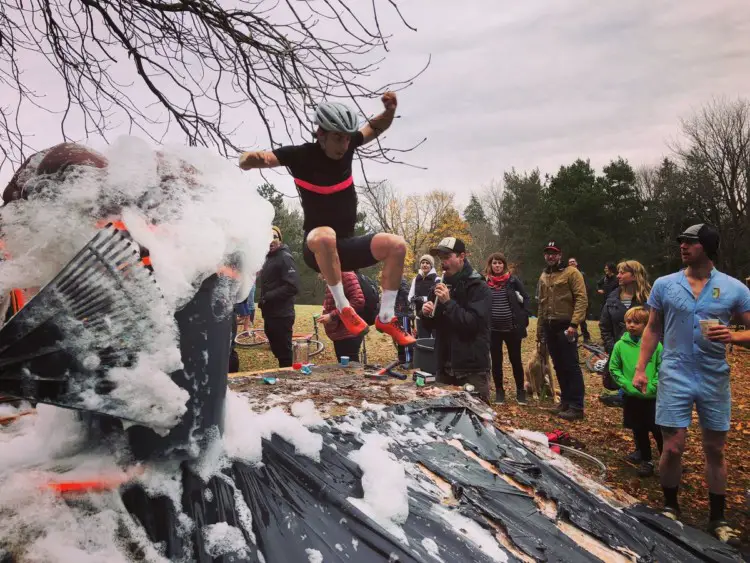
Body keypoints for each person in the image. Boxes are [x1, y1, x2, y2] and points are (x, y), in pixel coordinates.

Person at [238, 93, 414, 349]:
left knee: (397, 245)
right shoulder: (300, 155)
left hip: (346, 247)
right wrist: (248, 159)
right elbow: (266, 158)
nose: (343, 145)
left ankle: (386, 317)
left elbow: (374, 128)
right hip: (316, 248)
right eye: (336, 138)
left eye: (346, 138)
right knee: (325, 235)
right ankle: (344, 308)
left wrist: (389, 111)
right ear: (320, 134)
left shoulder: (349, 143)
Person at [634, 223, 749, 546]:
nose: (683, 247)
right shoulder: (665, 285)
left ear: (708, 247)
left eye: (690, 242)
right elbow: (653, 328)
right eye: (681, 242)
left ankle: (718, 518)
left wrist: (735, 336)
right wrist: (641, 369)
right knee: (672, 446)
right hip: (675, 372)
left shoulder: (734, 289)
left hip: (714, 376)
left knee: (715, 448)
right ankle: (670, 507)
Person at [418, 237, 492, 403]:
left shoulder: (478, 287)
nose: (443, 263)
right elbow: (431, 326)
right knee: (444, 419)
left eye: (447, 257)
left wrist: (449, 303)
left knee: (477, 419)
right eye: (441, 259)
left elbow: (473, 324)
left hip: (471, 369)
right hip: (444, 367)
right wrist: (426, 313)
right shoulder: (440, 286)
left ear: (461, 256)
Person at [608, 307, 663, 478]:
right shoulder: (620, 345)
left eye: (637, 322)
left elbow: (662, 367)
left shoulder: (656, 345)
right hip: (632, 397)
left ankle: (667, 459)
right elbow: (614, 368)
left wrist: (654, 385)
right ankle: (646, 460)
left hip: (653, 397)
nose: (631, 325)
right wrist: (627, 385)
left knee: (658, 430)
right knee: (639, 430)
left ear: (647, 325)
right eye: (629, 322)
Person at [538, 241, 588, 420]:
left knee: (571, 365)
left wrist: (574, 325)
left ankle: (577, 406)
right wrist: (540, 330)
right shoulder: (544, 275)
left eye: (554, 253)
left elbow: (581, 299)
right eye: (548, 252)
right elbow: (541, 304)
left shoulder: (571, 273)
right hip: (549, 326)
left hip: (566, 325)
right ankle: (565, 401)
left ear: (560, 255)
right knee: (558, 365)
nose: (550, 256)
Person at [599, 260, 652, 407]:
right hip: (619, 348)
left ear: (634, 276)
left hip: (645, 352)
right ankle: (623, 396)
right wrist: (613, 348)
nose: (618, 276)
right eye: (618, 272)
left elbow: (657, 327)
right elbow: (605, 326)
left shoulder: (650, 299)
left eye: (623, 272)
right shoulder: (612, 298)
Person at [484, 252, 530, 405]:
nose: (497, 266)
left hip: (512, 329)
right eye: (494, 263)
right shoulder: (485, 283)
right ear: (490, 265)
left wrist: (523, 317)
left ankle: (520, 391)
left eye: (500, 263)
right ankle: (499, 391)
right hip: (493, 330)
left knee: (515, 360)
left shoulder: (512, 281)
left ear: (504, 265)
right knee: (496, 361)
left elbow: (526, 299)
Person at [258, 226, 300, 368]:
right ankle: (285, 374)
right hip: (270, 313)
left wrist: (268, 296)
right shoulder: (269, 258)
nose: (271, 240)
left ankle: (288, 378)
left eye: (274, 237)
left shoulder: (285, 257)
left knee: (284, 353)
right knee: (277, 349)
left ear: (280, 240)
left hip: (282, 314)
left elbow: (292, 286)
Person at [318, 272, 365, 363]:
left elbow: (358, 301)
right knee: (344, 365)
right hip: (339, 332)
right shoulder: (334, 277)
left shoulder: (347, 276)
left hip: (349, 331)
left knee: (351, 367)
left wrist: (332, 315)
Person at [408, 254, 439, 339]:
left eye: (427, 263)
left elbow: (437, 298)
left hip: (433, 317)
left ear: (431, 265)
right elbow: (410, 297)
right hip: (419, 317)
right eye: (422, 262)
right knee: (423, 342)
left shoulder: (437, 279)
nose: (424, 265)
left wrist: (423, 299)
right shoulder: (416, 279)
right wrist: (414, 300)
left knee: (435, 343)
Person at [568, 257, 591, 343]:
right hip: (570, 301)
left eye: (573, 261)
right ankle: (573, 336)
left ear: (576, 263)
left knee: (582, 319)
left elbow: (586, 286)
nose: (572, 263)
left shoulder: (582, 274)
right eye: (570, 262)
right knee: (572, 319)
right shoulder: (567, 275)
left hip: (580, 299)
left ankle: (586, 337)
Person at [394, 275, 415, 368]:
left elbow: (408, 298)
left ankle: (409, 359)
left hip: (404, 314)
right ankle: (401, 358)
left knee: (405, 337)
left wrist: (409, 313)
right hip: (397, 314)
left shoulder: (401, 281)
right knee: (398, 337)